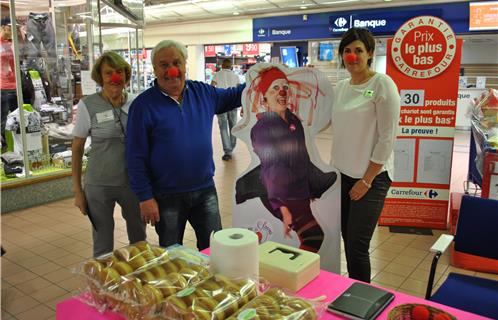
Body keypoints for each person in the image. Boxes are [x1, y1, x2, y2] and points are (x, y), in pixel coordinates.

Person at [125, 40, 245, 251]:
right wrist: (145, 197)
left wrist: (263, 78)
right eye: (164, 65)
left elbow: (235, 95)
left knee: (215, 252)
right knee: (172, 257)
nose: (172, 70)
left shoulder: (203, 93)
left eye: (176, 62)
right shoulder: (142, 106)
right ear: (154, 69)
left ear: (185, 65)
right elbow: (135, 157)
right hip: (166, 196)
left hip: (205, 190)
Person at [235, 66, 337, 253]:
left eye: (285, 87)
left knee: (311, 237)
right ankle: (293, 273)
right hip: (277, 192)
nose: (282, 91)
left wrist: (311, 186)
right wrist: (280, 206)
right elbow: (271, 169)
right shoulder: (262, 129)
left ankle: (293, 272)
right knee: (314, 237)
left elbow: (302, 158)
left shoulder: (294, 121)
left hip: (298, 191)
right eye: (275, 88)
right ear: (264, 96)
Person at [331, 28, 400, 282]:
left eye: (358, 50)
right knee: (346, 239)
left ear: (369, 53)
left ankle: (361, 300)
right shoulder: (340, 88)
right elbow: (324, 121)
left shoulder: (382, 84)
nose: (352, 57)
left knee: (357, 247)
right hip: (342, 176)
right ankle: (349, 290)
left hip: (371, 179)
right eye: (347, 51)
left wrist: (366, 180)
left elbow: (387, 137)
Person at [72, 51, 146, 257]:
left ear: (126, 75)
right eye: (108, 73)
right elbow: (77, 149)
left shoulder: (137, 103)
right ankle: (102, 288)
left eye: (119, 72)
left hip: (133, 183)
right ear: (100, 77)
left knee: (139, 241)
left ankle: (137, 284)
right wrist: (78, 191)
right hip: (99, 184)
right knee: (103, 245)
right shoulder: (88, 106)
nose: (115, 78)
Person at [211, 58, 241, 161]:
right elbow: (238, 90)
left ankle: (227, 150)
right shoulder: (235, 76)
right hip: (233, 103)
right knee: (233, 126)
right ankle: (231, 147)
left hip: (221, 103)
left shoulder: (217, 75)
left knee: (223, 127)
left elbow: (212, 88)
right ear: (230, 66)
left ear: (222, 66)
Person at [1, 17, 16, 149]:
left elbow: (12, 65)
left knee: (16, 117)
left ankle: (15, 144)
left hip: (13, 85)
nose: (12, 30)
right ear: (2, 27)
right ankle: (4, 146)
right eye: (9, 27)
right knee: (3, 119)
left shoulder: (7, 44)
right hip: (2, 86)